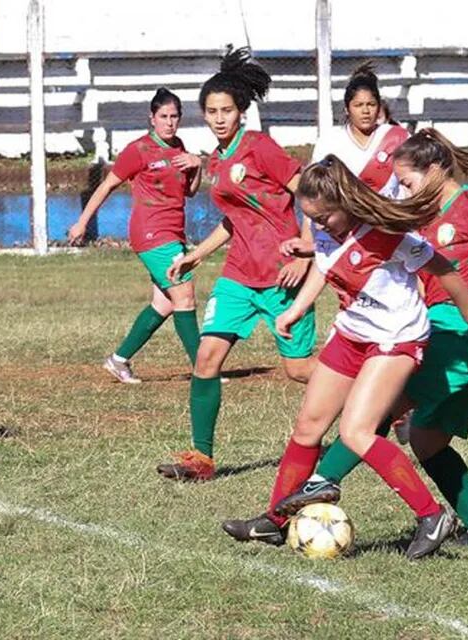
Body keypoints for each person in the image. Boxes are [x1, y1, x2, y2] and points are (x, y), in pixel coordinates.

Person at [221, 155, 468, 558]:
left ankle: (431, 516)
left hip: (395, 339)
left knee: (358, 431)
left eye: (324, 218)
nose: (317, 226)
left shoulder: (384, 233)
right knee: (308, 426)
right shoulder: (323, 229)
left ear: (345, 204)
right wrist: (297, 308)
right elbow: (324, 266)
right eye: (310, 218)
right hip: (352, 333)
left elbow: (443, 266)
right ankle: (275, 520)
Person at [274, 129, 468, 548]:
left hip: (463, 335)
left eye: (408, 182)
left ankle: (321, 481)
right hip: (440, 328)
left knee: (370, 412)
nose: (402, 189)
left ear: (435, 171)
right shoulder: (420, 217)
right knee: (425, 441)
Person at [155, 47, 317, 482]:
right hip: (239, 277)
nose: (219, 118)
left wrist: (305, 248)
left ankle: (386, 399)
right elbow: (235, 219)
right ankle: (201, 460)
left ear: (242, 112)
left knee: (300, 370)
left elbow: (311, 193)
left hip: (283, 273)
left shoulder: (261, 148)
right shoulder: (218, 159)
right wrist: (197, 253)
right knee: (206, 359)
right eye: (211, 111)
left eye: (226, 110)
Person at [68, 88, 203, 384]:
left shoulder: (179, 147)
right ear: (152, 118)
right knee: (185, 296)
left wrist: (197, 166)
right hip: (151, 232)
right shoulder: (138, 150)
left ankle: (118, 360)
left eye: (174, 117)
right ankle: (204, 370)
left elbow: (189, 192)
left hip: (173, 231)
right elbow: (105, 186)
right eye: (163, 117)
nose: (169, 123)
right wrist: (82, 222)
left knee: (165, 303)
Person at [310, 63, 409, 199]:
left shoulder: (398, 137)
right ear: (347, 108)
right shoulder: (329, 142)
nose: (366, 111)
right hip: (346, 219)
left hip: (391, 218)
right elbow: (315, 190)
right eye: (358, 105)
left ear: (379, 106)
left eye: (371, 105)